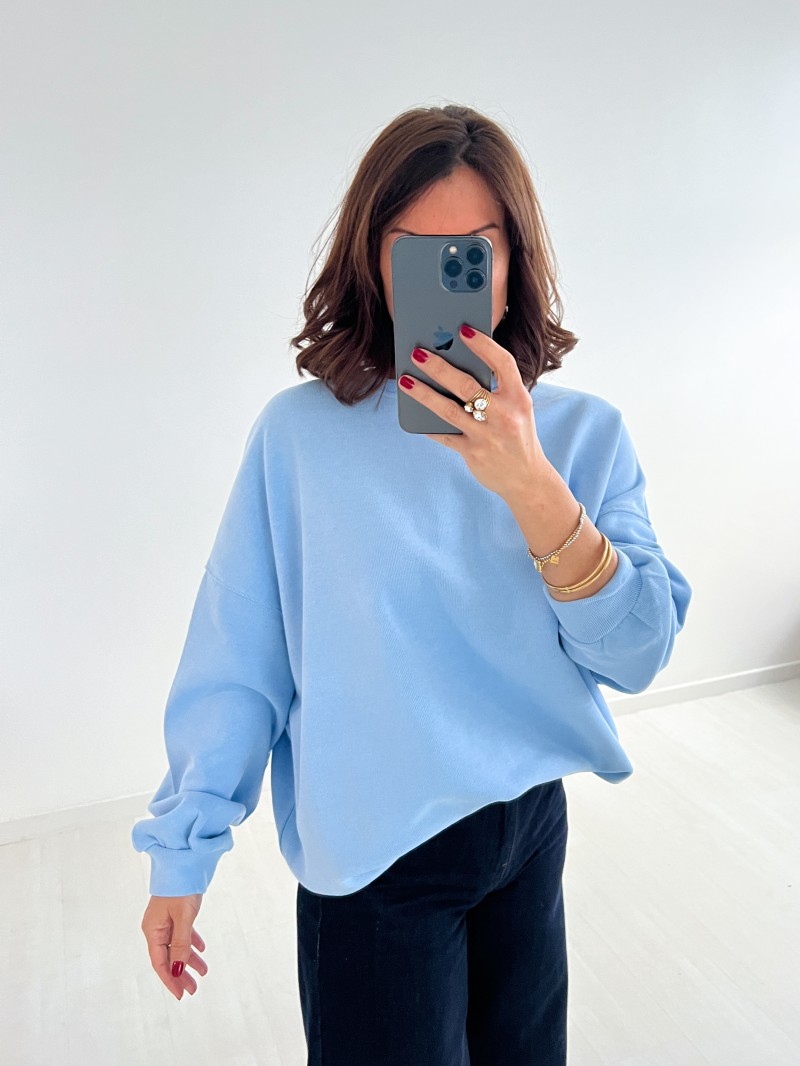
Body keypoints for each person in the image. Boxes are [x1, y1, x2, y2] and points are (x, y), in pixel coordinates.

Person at [132, 103, 692, 1064]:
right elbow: (240, 656)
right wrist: (184, 847)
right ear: (372, 261)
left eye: (471, 253)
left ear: (512, 261)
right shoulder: (299, 438)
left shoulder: (583, 435)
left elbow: (638, 654)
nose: (445, 278)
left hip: (528, 830)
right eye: (413, 252)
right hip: (377, 863)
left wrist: (533, 485)